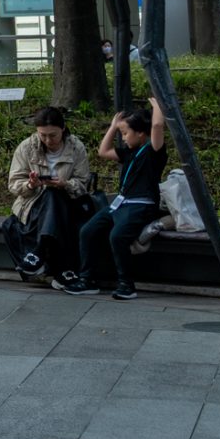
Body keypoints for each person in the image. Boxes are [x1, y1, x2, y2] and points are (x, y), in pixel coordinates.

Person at [60, 99, 165, 301]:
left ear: (141, 133)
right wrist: (113, 127)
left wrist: (158, 107)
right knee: (88, 231)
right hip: (121, 204)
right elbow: (103, 152)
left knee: (117, 237)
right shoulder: (129, 152)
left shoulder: (154, 151)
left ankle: (126, 285)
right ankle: (87, 279)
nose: (123, 138)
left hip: (141, 206)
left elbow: (158, 125)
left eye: (125, 133)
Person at [3, 107, 93, 282]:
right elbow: (14, 184)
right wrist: (30, 184)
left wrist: (65, 184)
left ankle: (39, 250)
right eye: (42, 135)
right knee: (50, 194)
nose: (47, 140)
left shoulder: (76, 147)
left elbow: (83, 184)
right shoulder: (27, 147)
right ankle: (61, 269)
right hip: (33, 205)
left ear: (63, 128)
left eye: (52, 135)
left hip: (68, 203)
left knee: (53, 193)